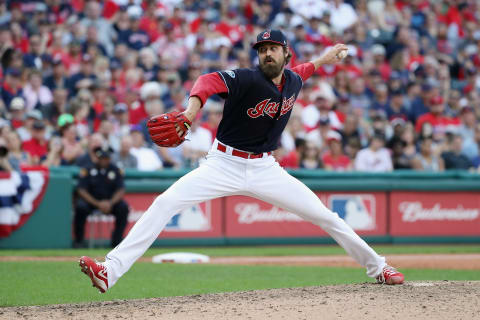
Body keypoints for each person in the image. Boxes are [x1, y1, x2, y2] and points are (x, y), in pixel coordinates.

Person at [79, 29, 404, 293]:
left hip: (265, 168)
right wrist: (191, 112)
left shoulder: (292, 80)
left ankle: (378, 266)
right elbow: (207, 81)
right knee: (164, 203)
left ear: (286, 53)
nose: (266, 53)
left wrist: (326, 56)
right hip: (222, 164)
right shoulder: (246, 79)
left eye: (273, 48)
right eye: (262, 49)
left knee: (326, 216)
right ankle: (110, 271)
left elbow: (308, 69)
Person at [74, 146, 129, 248]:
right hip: (92, 202)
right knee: (80, 207)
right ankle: (79, 241)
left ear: (109, 158)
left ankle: (116, 242)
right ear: (97, 158)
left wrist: (110, 203)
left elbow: (121, 189)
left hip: (110, 202)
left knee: (123, 207)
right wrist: (97, 203)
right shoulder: (87, 169)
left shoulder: (116, 170)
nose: (104, 160)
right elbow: (81, 190)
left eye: (106, 158)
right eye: (101, 158)